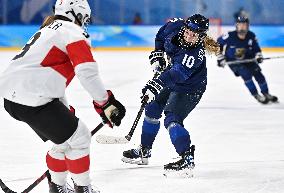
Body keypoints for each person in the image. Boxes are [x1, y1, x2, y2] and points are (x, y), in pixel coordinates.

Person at [0, 0, 126, 193]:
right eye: (84, 18)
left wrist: (65, 111)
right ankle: (83, 189)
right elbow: (86, 71)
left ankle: (57, 187)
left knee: (65, 140)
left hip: (13, 100)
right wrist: (105, 102)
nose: (85, 22)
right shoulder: (72, 30)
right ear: (77, 14)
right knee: (81, 138)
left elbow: (46, 78)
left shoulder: (48, 28)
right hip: (33, 98)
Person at [121, 14, 220, 176]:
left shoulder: (194, 54)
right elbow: (160, 36)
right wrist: (158, 54)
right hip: (171, 76)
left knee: (172, 119)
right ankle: (144, 151)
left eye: (194, 35)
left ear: (201, 37)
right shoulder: (175, 26)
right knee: (152, 108)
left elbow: (176, 74)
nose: (189, 36)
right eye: (188, 31)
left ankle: (186, 157)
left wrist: (156, 84)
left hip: (190, 87)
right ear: (185, 27)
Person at [217, 16, 278, 104]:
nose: (242, 27)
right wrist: (220, 57)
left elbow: (256, 49)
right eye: (240, 25)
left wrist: (258, 56)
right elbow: (217, 44)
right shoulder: (229, 36)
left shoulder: (251, 36)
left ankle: (266, 93)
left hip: (249, 59)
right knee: (246, 75)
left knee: (259, 75)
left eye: (244, 25)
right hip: (234, 62)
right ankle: (256, 95)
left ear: (248, 26)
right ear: (236, 26)